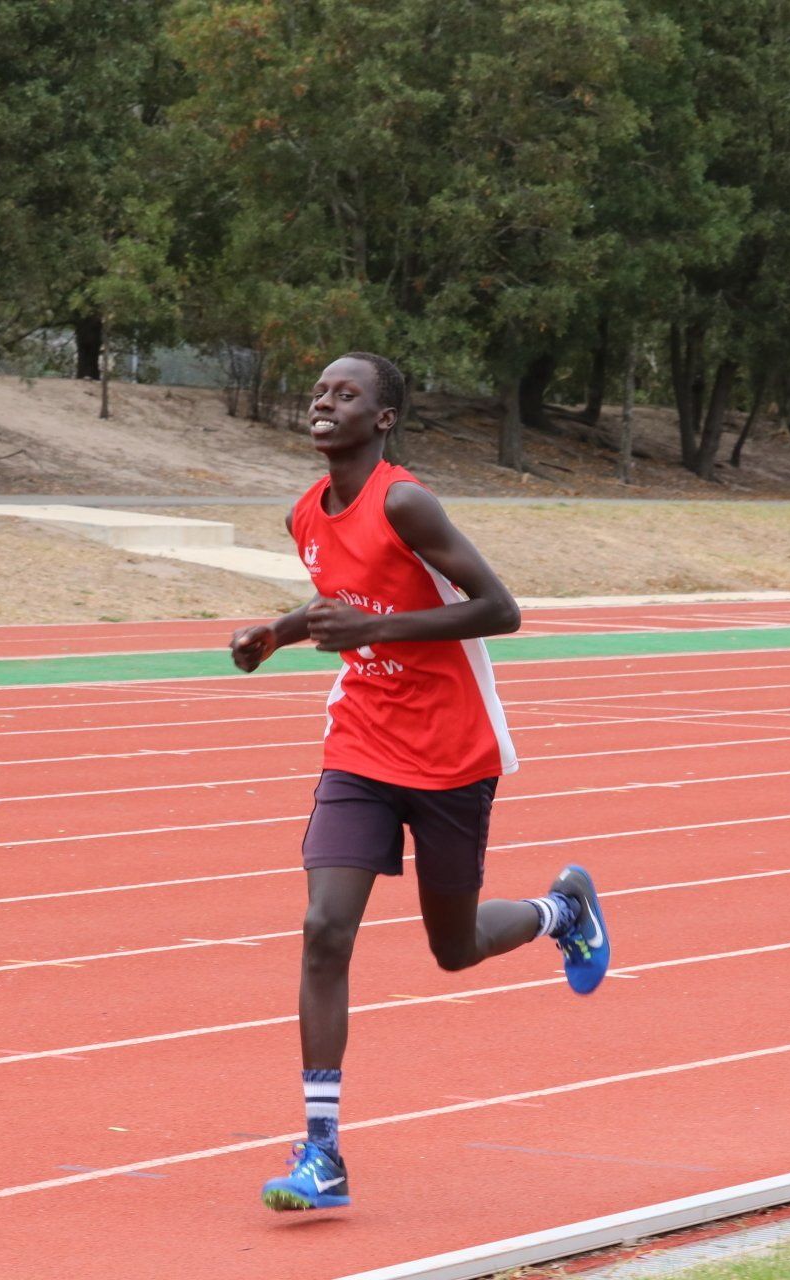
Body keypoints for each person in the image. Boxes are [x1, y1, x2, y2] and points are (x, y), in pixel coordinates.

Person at [229, 351, 611, 1213]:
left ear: (384, 418)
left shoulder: (405, 499)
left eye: (347, 393)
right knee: (326, 928)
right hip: (361, 743)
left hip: (448, 752)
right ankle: (321, 1153)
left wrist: (385, 628)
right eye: (321, 391)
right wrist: (280, 632)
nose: (325, 402)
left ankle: (563, 911)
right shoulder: (304, 513)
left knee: (453, 947)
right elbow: (343, 599)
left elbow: (500, 609)